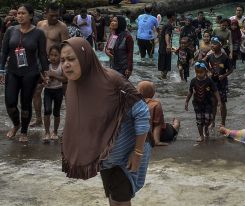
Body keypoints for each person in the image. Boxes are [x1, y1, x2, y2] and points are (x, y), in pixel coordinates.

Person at [60, 37, 151, 205]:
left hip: (126, 154)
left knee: (119, 200)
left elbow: (142, 112)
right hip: (105, 158)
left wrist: (137, 153)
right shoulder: (74, 86)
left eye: (71, 59)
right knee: (113, 198)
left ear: (85, 57)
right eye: (63, 60)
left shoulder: (111, 81)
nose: (66, 64)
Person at [0, 4, 48, 143]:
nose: (20, 16)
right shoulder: (10, 30)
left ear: (31, 15)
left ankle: (24, 131)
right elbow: (4, 51)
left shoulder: (38, 33)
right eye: (18, 13)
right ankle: (16, 124)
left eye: (23, 13)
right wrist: (1, 69)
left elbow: (43, 55)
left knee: (26, 103)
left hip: (30, 73)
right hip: (13, 71)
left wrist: (45, 72)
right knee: (10, 102)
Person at [32, 3, 69, 127]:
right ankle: (38, 119)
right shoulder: (40, 25)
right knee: (37, 91)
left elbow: (65, 46)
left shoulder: (62, 27)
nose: (55, 18)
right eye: (52, 16)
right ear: (45, 13)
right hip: (42, 62)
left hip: (57, 62)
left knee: (65, 92)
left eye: (57, 16)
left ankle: (69, 122)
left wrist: (64, 64)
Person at [184, 61, 220, 142]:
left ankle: (206, 128)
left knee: (208, 119)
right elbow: (190, 92)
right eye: (197, 72)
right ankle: (201, 136)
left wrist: (219, 101)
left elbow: (215, 91)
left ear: (206, 72)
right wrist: (186, 102)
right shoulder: (193, 81)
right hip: (197, 104)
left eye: (201, 72)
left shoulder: (209, 81)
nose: (199, 74)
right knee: (199, 120)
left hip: (208, 103)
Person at [137, 81, 180, 146]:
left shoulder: (134, 103)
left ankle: (176, 122)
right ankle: (177, 122)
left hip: (142, 136)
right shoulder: (155, 104)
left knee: (169, 126)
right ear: (152, 93)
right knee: (173, 127)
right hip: (162, 134)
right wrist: (156, 141)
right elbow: (158, 124)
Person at [205, 38, 232, 127]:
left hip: (222, 83)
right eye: (211, 44)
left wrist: (224, 75)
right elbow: (203, 63)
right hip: (213, 82)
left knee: (222, 102)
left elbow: (231, 70)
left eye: (215, 44)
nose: (212, 45)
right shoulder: (210, 56)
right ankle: (212, 122)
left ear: (220, 45)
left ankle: (223, 123)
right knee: (213, 102)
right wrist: (209, 71)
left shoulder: (225, 57)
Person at [42, 44, 66, 142]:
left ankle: (55, 131)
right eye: (51, 55)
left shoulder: (62, 65)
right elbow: (43, 77)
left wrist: (54, 76)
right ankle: (47, 132)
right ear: (48, 56)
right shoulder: (47, 65)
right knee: (47, 110)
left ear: (60, 56)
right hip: (48, 91)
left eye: (56, 55)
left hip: (58, 90)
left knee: (56, 112)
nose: (53, 57)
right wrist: (45, 80)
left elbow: (65, 78)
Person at [158, 12, 175, 80]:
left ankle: (162, 78)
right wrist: (168, 45)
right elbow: (167, 34)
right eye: (174, 16)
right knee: (166, 65)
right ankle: (163, 79)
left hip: (162, 46)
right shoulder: (168, 25)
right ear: (172, 17)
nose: (175, 17)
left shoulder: (166, 24)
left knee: (163, 64)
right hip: (165, 47)